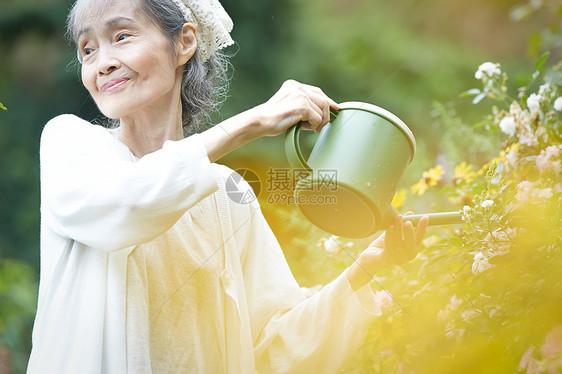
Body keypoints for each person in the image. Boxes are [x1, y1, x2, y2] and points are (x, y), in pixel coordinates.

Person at [27, 0, 429, 373]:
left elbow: (273, 348)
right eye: (87, 49)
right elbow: (128, 204)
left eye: (121, 36)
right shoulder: (71, 144)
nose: (103, 63)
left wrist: (365, 269)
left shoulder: (227, 194)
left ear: (184, 42)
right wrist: (253, 122)